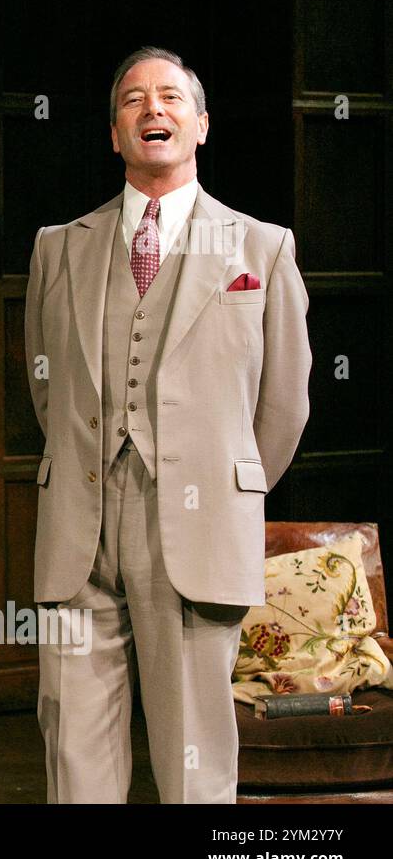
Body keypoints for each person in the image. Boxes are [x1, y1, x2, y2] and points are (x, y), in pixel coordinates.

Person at [24, 48, 311, 803]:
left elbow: (283, 405)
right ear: (113, 133)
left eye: (171, 98)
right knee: (75, 752)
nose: (153, 109)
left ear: (202, 124)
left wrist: (222, 486)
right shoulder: (59, 248)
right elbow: (44, 383)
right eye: (132, 101)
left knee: (192, 764)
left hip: (195, 523)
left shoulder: (261, 247)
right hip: (78, 523)